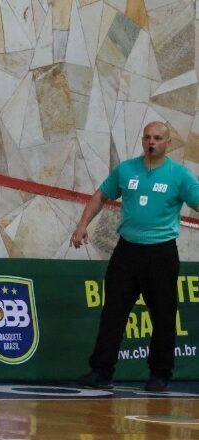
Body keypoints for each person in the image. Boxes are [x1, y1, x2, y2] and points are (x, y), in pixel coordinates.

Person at [72, 121, 199, 392]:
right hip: (127, 251)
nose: (150, 142)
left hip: (161, 252)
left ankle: (160, 374)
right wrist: (82, 225)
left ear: (167, 144)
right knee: (113, 313)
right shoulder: (126, 169)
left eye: (157, 138)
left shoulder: (180, 175)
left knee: (163, 315)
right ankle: (102, 371)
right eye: (147, 137)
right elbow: (100, 195)